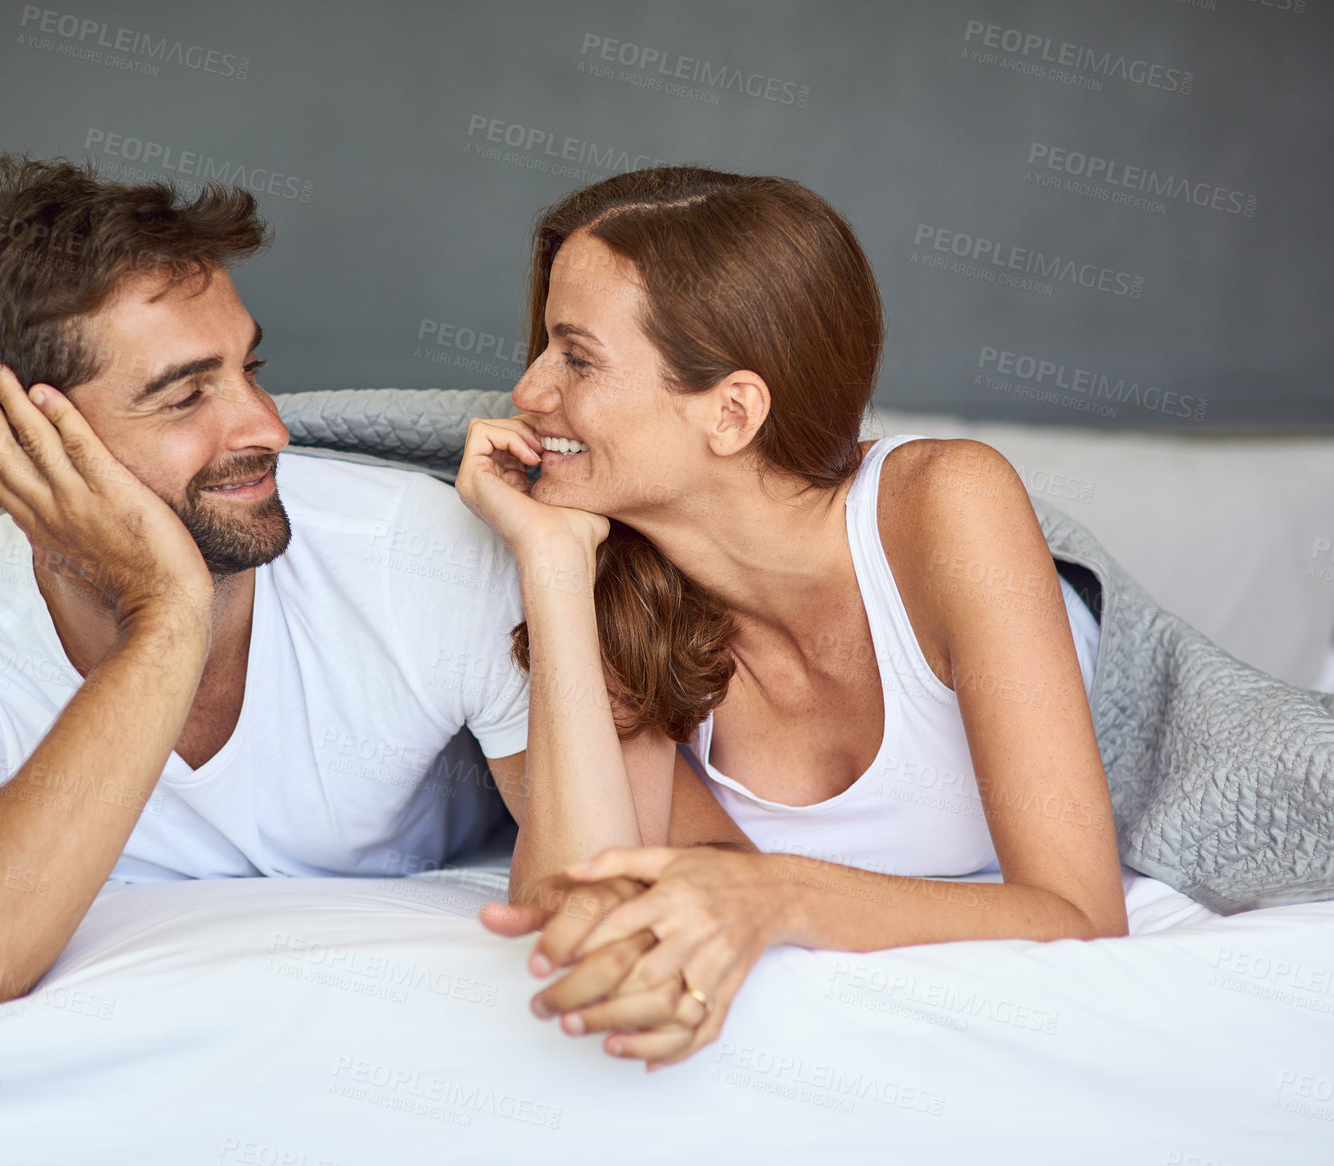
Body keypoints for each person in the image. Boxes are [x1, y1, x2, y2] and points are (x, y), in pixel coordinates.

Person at [0, 154, 630, 1026]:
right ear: (22, 443)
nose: (267, 427)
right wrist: (165, 620)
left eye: (251, 368)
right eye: (183, 397)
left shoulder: (416, 553)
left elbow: (593, 903)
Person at [454, 166, 1128, 1071]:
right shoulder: (622, 581)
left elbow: (1078, 912)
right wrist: (551, 564)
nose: (528, 394)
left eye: (576, 358)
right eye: (542, 350)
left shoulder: (946, 504)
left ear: (732, 411)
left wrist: (776, 895)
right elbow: (575, 909)